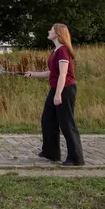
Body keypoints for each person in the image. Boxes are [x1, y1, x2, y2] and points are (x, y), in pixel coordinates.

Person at [24, 23, 85, 166]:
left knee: (66, 123)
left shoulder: (63, 51)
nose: (48, 31)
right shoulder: (55, 51)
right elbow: (53, 73)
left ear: (57, 33)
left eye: (51, 29)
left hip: (65, 89)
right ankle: (51, 153)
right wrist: (32, 74)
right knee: (48, 120)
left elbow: (63, 74)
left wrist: (58, 94)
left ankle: (76, 158)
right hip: (56, 88)